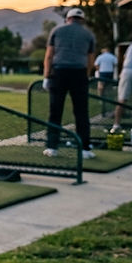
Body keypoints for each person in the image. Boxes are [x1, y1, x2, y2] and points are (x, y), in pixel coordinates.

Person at [42, 8, 96, 159]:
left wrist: (46, 76)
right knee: (81, 112)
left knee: (55, 111)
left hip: (59, 73)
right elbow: (90, 59)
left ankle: (52, 147)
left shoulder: (57, 31)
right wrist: (86, 76)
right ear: (82, 20)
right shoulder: (88, 34)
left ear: (68, 18)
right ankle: (85, 148)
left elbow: (49, 55)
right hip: (79, 73)